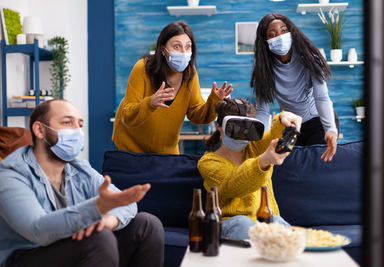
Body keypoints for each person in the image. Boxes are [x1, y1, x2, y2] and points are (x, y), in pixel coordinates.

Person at [0, 99, 164, 267]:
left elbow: (126, 204)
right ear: (39, 130)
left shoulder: (79, 168)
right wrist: (97, 208)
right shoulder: (10, 174)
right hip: (25, 256)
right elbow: (37, 229)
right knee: (99, 239)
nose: (76, 131)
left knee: (147, 225)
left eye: (79, 124)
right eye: (67, 122)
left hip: (69, 249)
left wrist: (108, 220)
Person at [112, 21, 232, 154]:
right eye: (176, 46)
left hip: (166, 151)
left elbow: (197, 115)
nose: (183, 52)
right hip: (131, 149)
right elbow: (127, 116)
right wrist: (151, 103)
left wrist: (215, 101)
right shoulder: (142, 68)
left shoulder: (190, 74)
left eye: (188, 47)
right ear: (163, 50)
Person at [197, 98, 302, 240]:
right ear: (220, 126)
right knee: (243, 223)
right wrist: (263, 161)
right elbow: (233, 185)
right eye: (235, 127)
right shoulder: (208, 163)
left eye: (247, 129)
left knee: (276, 221)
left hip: (264, 222)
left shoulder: (255, 148)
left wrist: (283, 118)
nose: (242, 134)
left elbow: (274, 134)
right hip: (230, 225)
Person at [251, 13, 338, 162]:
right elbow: (262, 111)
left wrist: (330, 129)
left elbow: (322, 98)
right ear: (265, 41)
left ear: (291, 31)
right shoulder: (263, 68)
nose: (279, 36)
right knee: (288, 167)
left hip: (318, 121)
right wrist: (259, 141)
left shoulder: (309, 58)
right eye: (272, 34)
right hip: (290, 126)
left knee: (316, 164)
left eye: (284, 31)